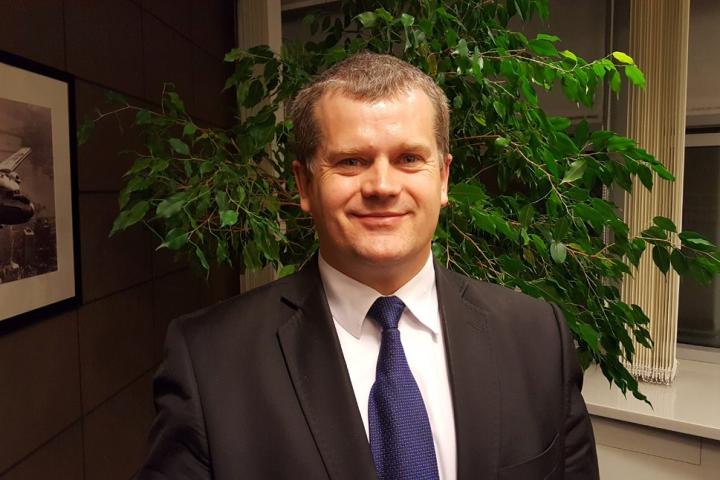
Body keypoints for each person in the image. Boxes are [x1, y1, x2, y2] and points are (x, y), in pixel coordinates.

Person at [137, 52, 599, 480]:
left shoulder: (537, 338)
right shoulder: (210, 361)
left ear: (443, 178)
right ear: (304, 184)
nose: (382, 185)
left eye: (409, 159)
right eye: (351, 161)